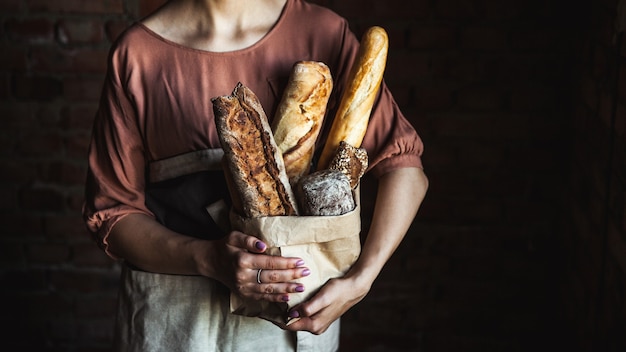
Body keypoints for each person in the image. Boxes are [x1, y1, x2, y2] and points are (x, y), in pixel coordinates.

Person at [83, 0, 428, 351]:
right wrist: (208, 258)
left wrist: (361, 279)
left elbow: (405, 170)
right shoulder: (138, 54)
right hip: (172, 323)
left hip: (288, 331)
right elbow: (114, 214)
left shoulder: (323, 32)